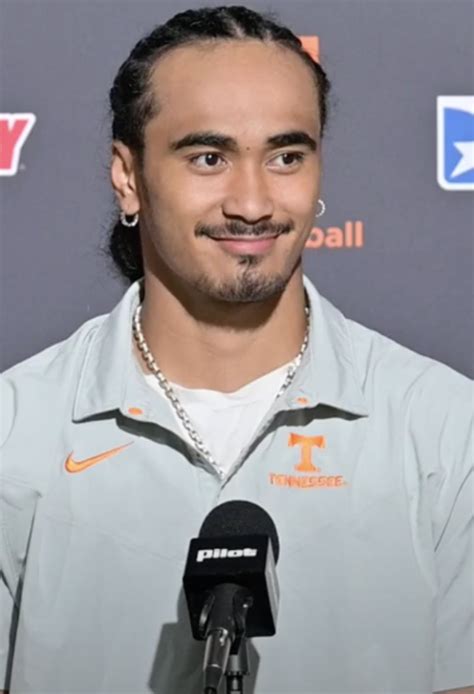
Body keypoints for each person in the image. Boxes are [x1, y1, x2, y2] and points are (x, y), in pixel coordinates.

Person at [0, 5, 472, 694]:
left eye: (286, 157)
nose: (252, 203)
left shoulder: (448, 429)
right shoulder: (14, 430)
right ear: (128, 177)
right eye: (209, 158)